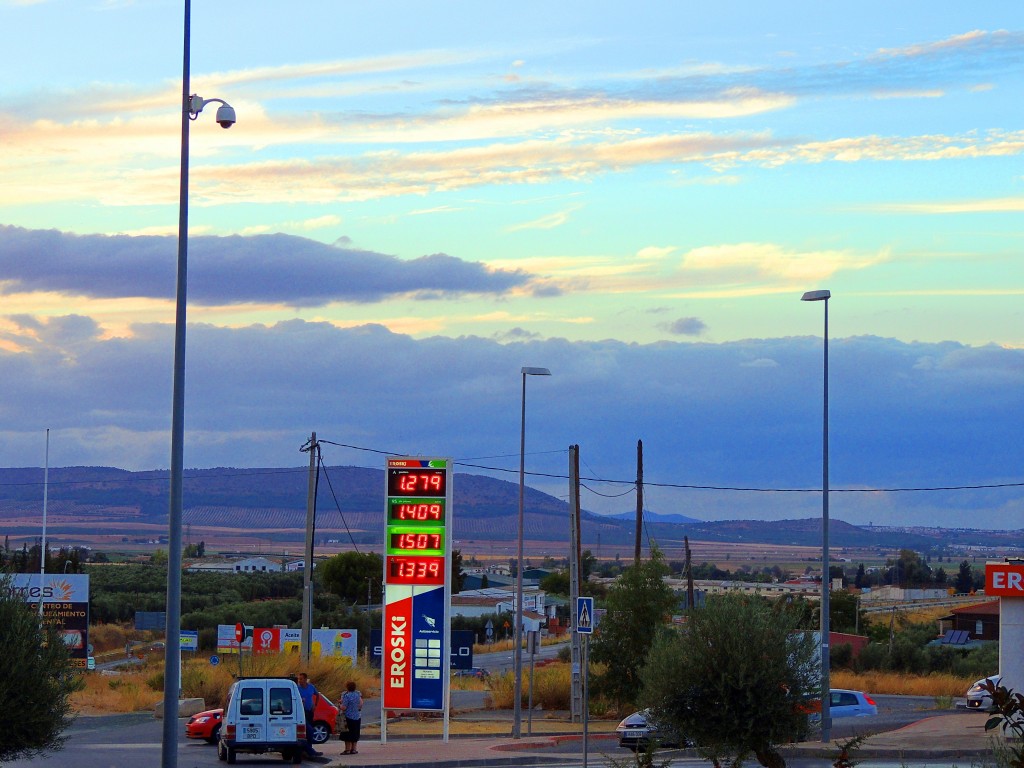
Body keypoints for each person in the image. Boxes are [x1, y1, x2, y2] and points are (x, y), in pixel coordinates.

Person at [296, 672, 321, 757]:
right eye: (299, 679)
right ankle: (310, 752)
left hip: (310, 711)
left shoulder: (311, 687)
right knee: (308, 730)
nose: (300, 681)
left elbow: (317, 695)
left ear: (306, 679)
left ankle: (308, 749)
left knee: (309, 731)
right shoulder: (297, 688)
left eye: (301, 679)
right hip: (301, 712)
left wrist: (315, 705)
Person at [339, 680, 363, 755]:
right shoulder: (357, 695)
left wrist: (340, 705)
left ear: (347, 687)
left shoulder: (347, 696)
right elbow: (360, 704)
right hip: (357, 717)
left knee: (347, 734)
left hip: (348, 717)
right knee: (355, 733)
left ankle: (347, 749)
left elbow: (344, 707)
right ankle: (354, 749)